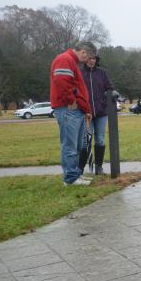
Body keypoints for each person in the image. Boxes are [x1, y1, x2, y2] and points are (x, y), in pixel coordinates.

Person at [50, 41, 95, 186]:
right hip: (68, 109)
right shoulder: (65, 59)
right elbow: (61, 81)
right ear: (83, 52)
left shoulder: (71, 61)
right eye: (87, 57)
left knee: (75, 146)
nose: (87, 61)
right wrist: (71, 100)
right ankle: (70, 178)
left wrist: (85, 109)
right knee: (70, 145)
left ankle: (74, 175)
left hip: (76, 110)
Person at [79, 54, 114, 175]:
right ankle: (81, 168)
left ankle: (99, 167)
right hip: (86, 113)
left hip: (101, 113)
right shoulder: (80, 72)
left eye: (94, 59)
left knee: (100, 139)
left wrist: (106, 99)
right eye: (89, 58)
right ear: (85, 60)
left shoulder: (102, 73)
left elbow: (110, 87)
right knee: (85, 141)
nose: (92, 61)